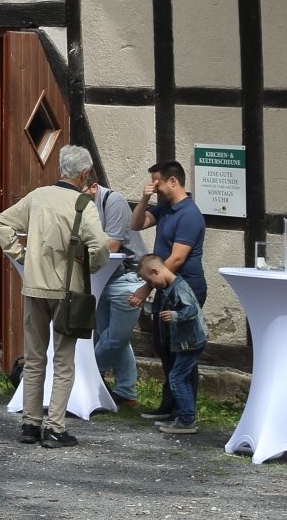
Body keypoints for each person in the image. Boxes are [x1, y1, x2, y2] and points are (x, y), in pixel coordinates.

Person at [0, 146, 110, 448]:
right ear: (84, 173)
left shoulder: (38, 196)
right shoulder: (84, 204)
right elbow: (101, 246)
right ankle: (55, 428)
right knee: (64, 361)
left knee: (34, 359)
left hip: (34, 286)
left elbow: (0, 222)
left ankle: (30, 424)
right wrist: (91, 266)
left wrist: (19, 254)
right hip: (68, 291)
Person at [129, 160, 206, 425]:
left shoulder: (189, 215)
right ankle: (170, 405)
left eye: (157, 182)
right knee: (164, 348)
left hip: (186, 291)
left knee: (183, 351)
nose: (155, 187)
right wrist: (144, 198)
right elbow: (136, 224)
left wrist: (146, 286)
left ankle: (185, 413)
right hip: (166, 288)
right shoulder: (165, 208)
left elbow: (176, 259)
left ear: (173, 181)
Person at [89, 163, 145, 408]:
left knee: (114, 339)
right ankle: (126, 391)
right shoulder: (83, 203)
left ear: (93, 187)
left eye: (80, 191)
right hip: (103, 278)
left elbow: (112, 245)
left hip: (127, 278)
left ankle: (87, 375)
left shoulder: (114, 201)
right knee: (109, 336)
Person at [137, 253, 207, 434]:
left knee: (177, 378)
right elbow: (162, 309)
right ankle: (184, 417)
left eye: (149, 281)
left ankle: (186, 420)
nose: (151, 285)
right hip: (185, 341)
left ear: (155, 271)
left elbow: (191, 309)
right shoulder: (169, 288)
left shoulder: (179, 288)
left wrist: (175, 315)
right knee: (178, 377)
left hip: (191, 341)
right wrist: (144, 306)